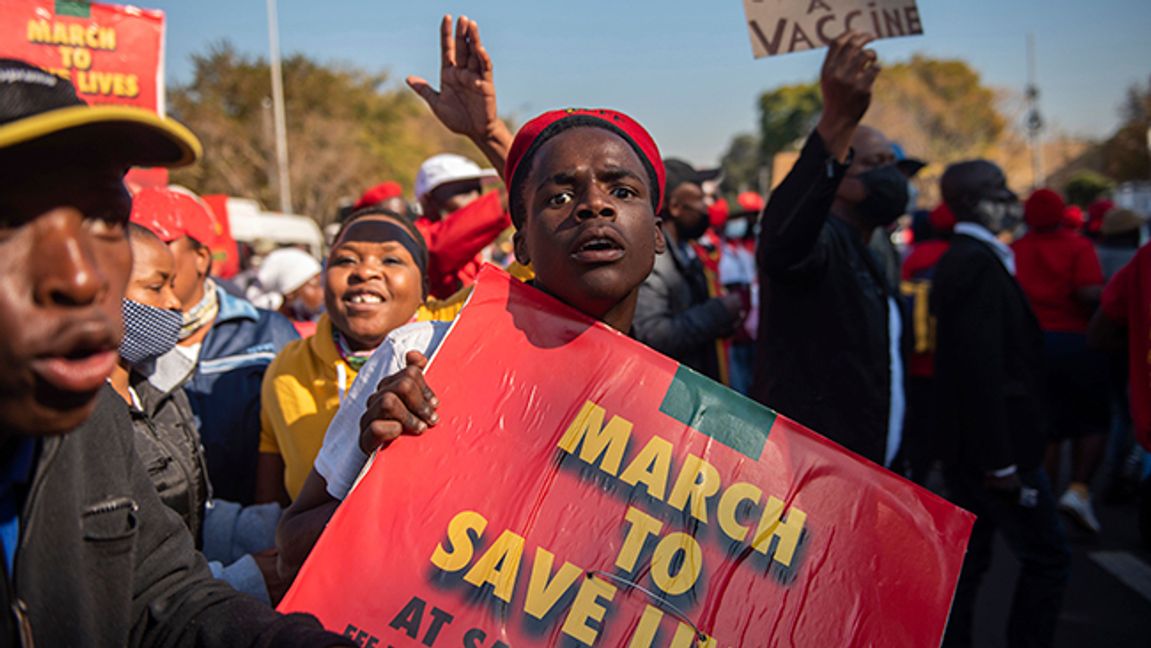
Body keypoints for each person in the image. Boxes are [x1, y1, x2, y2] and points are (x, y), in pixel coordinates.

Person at [277, 15, 669, 580]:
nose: (594, 207)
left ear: (657, 235)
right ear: (522, 243)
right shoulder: (425, 359)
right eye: (560, 197)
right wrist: (380, 468)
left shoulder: (681, 409)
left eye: (623, 191)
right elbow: (292, 552)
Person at [0, 57, 348, 645]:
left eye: (105, 219)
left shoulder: (93, 422)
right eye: (9, 221)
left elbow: (168, 601)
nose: (82, 276)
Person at [931, 160, 1070, 648]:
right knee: (1049, 557)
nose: (1010, 198)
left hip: (984, 449)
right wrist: (1002, 461)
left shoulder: (980, 259)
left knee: (973, 563)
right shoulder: (973, 265)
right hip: (996, 452)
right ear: (970, 201)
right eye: (997, 189)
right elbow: (980, 370)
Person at [752, 33, 907, 467]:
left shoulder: (871, 250)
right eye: (874, 164)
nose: (890, 176)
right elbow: (783, 242)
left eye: (891, 164)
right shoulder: (819, 247)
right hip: (813, 473)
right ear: (840, 175)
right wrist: (835, 122)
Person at [110, 223, 285, 603]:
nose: (174, 303)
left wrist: (285, 531)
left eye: (173, 284)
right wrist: (243, 581)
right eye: (156, 287)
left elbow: (190, 513)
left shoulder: (161, 396)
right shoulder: (76, 420)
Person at [256, 208, 433, 506]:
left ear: (425, 289)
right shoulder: (286, 369)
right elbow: (273, 508)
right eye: (346, 260)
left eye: (391, 259)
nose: (365, 272)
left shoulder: (461, 340)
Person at [138, 189, 300, 505]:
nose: (142, 253)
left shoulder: (267, 333)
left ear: (202, 257)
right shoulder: (121, 343)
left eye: (161, 242)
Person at [1012, 188, 1108, 534]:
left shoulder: (1016, 249)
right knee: (1092, 421)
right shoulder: (1078, 246)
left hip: (1032, 346)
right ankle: (1079, 490)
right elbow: (1088, 292)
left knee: (1047, 425)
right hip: (1075, 341)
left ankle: (1046, 497)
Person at [634, 158, 743, 381]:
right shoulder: (654, 261)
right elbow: (653, 335)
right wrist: (719, 312)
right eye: (700, 199)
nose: (707, 208)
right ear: (675, 207)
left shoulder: (686, 251)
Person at [899, 203, 954, 484]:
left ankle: (918, 475)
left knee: (919, 422)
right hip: (950, 359)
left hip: (916, 358)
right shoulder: (956, 256)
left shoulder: (912, 257)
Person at [413, 152, 513, 298]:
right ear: (429, 201)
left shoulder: (473, 253)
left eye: (478, 190)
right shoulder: (415, 238)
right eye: (464, 191)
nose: (476, 198)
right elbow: (438, 247)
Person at [245, 246, 325, 337]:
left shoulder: (321, 328)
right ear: (290, 292)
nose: (322, 293)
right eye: (315, 285)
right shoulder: (273, 335)